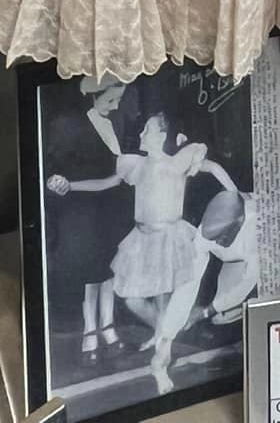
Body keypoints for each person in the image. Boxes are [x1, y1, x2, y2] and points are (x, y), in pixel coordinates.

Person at [47, 110, 238, 391]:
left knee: (164, 295)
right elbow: (105, 183)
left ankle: (162, 353)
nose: (140, 134)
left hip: (171, 237)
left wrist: (237, 196)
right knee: (130, 298)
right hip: (142, 239)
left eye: (147, 130)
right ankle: (165, 332)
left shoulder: (179, 161)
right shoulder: (133, 164)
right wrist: (70, 186)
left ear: (161, 135)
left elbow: (213, 167)